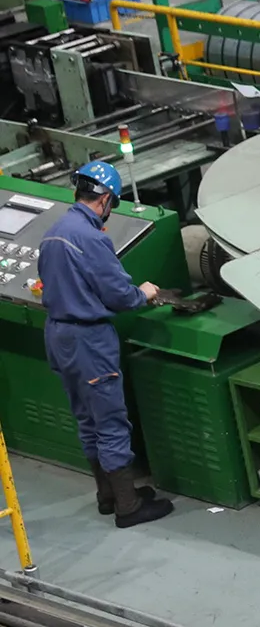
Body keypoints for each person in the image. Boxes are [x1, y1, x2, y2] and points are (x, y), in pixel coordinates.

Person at [38, 160, 171, 529]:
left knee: (87, 418)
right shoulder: (92, 238)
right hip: (88, 340)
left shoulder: (53, 233)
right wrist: (143, 293)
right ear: (106, 199)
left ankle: (108, 495)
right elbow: (118, 295)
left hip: (58, 335)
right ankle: (128, 507)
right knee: (110, 421)